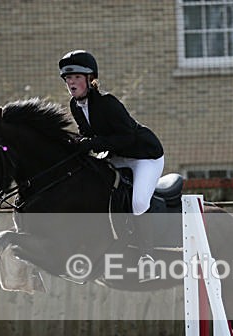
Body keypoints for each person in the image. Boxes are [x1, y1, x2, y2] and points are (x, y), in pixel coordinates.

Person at [59, 49, 164, 278]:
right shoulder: (75, 106)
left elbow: (127, 137)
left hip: (144, 156)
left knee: (138, 202)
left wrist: (93, 143)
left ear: (90, 79)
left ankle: (148, 258)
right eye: (68, 78)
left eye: (76, 77)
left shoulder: (108, 103)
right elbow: (87, 135)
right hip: (116, 155)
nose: (71, 83)